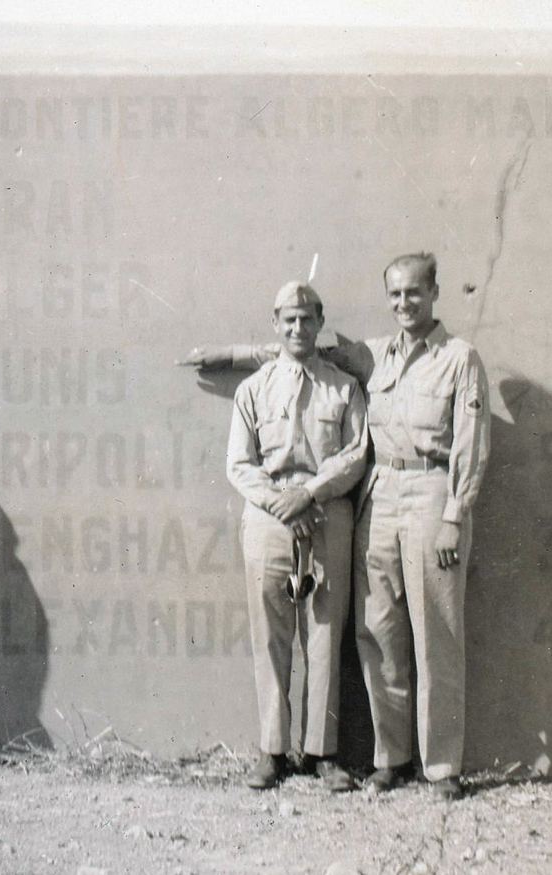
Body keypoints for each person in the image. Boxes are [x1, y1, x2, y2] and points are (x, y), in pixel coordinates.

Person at [183, 253, 490, 800]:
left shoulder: (457, 360)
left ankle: (439, 767)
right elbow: (292, 353)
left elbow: (461, 443)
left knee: (431, 635)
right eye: (394, 295)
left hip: (421, 496)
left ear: (435, 293)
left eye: (413, 293)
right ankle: (386, 759)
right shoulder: (375, 355)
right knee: (377, 632)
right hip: (368, 501)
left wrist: (453, 516)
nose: (403, 303)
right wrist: (228, 355)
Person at [225, 281, 368, 791]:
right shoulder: (254, 390)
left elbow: (355, 453)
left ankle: (321, 752)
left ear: (320, 321)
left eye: (307, 319)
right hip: (269, 517)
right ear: (275, 325)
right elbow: (240, 465)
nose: (298, 328)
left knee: (326, 634)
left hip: (327, 512)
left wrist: (310, 495)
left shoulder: (343, 388)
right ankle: (273, 751)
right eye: (288, 320)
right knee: (270, 634)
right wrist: (282, 503)